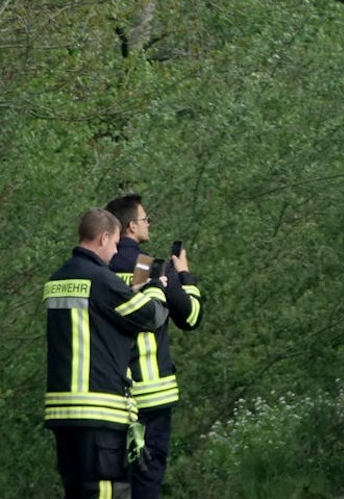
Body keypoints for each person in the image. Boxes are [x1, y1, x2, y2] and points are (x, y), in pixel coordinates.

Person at [47, 208, 169, 499]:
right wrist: (153, 289)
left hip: (62, 411)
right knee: (107, 491)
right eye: (115, 244)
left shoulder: (57, 280)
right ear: (103, 237)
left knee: (76, 491)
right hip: (100, 411)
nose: (115, 253)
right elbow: (150, 317)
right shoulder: (101, 281)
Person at [106, 194, 206, 499]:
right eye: (146, 219)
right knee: (147, 479)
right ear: (131, 226)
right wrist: (185, 274)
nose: (149, 224)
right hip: (152, 394)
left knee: (114, 482)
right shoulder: (149, 267)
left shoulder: (98, 269)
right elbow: (191, 316)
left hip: (109, 396)